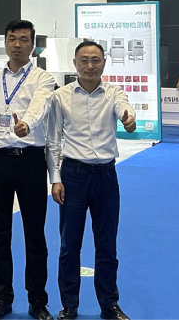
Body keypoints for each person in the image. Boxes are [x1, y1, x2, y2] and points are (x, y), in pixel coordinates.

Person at [36, 41, 137, 320]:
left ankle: (109, 305)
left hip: (106, 177)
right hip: (73, 177)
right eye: (84, 60)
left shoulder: (114, 92)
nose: (90, 65)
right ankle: (69, 305)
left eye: (95, 60)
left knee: (107, 245)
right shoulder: (61, 97)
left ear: (104, 62)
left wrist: (129, 120)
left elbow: (125, 110)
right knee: (69, 245)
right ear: (75, 63)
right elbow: (52, 141)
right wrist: (55, 179)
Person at [0, 20, 56, 320]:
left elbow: (40, 106)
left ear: (32, 45)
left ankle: (37, 300)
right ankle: (2, 297)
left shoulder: (43, 78)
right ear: (5, 42)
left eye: (23, 39)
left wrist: (27, 124)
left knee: (34, 233)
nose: (17, 44)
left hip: (30, 161)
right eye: (12, 38)